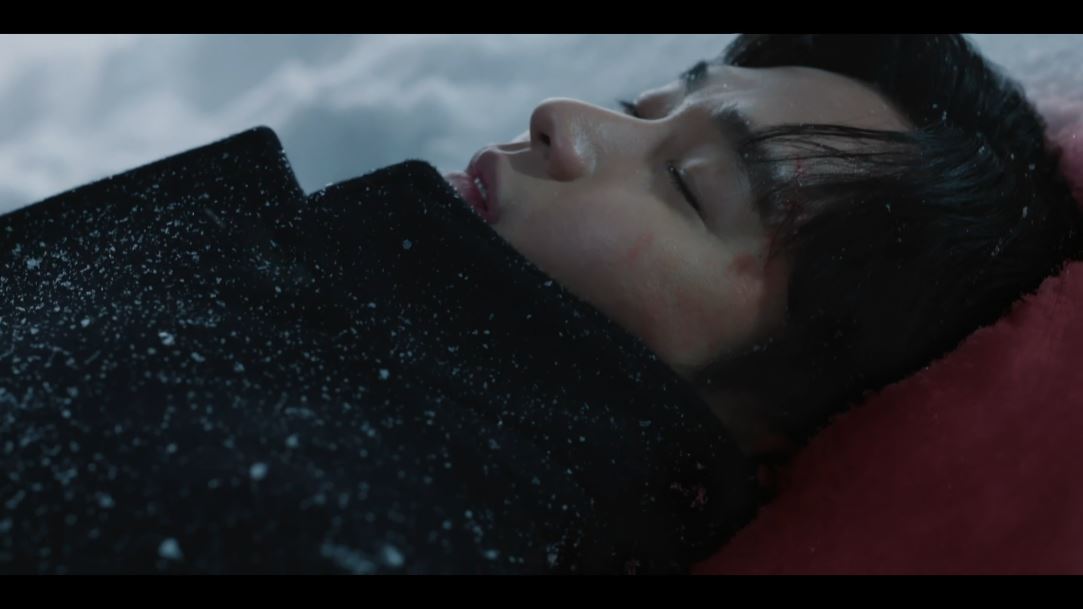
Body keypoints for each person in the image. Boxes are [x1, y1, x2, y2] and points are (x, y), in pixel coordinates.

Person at [1, 34, 1078, 574]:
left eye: (689, 185)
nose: (565, 117)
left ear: (766, 428)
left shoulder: (329, 521)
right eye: (641, 107)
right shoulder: (333, 349)